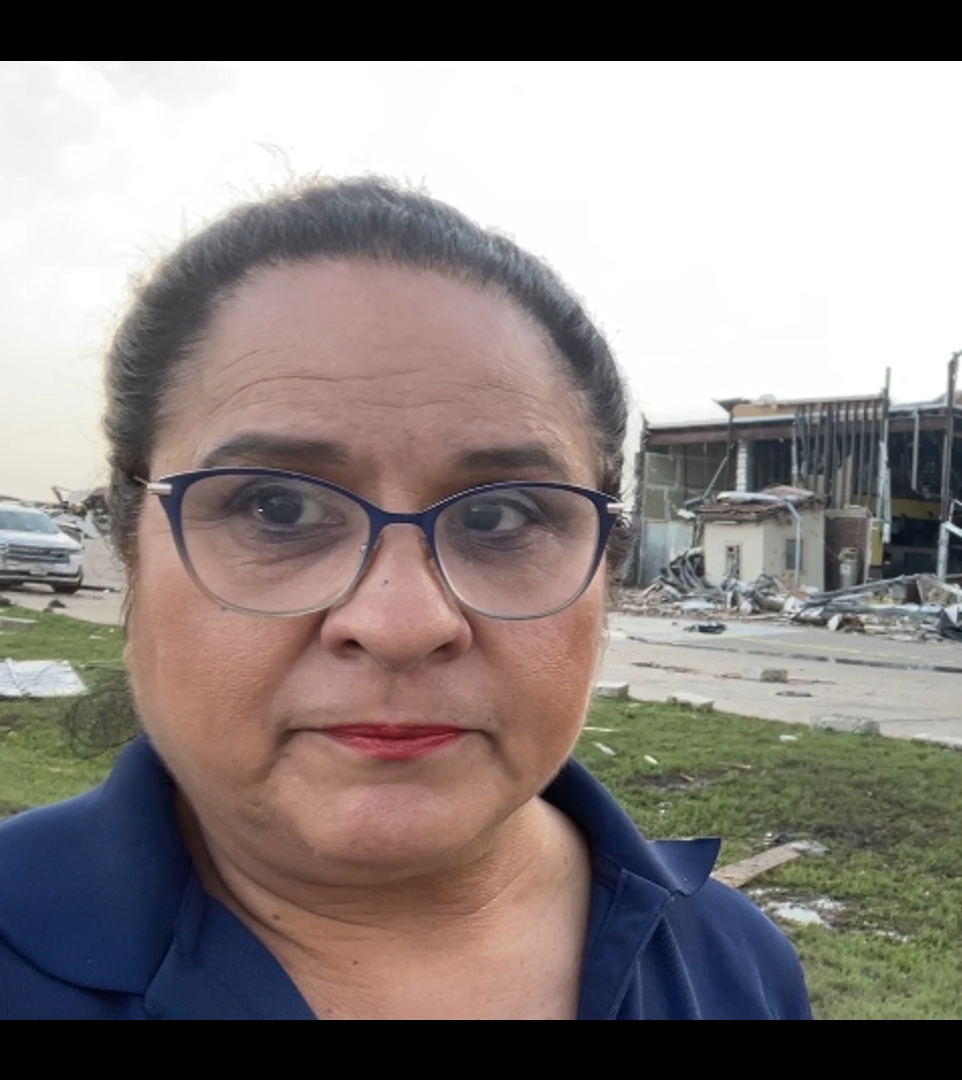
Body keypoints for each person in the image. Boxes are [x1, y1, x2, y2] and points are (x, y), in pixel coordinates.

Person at [0, 179, 811, 1019]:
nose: (401, 623)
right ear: (133, 546)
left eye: (501, 517)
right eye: (277, 509)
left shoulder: (733, 969)